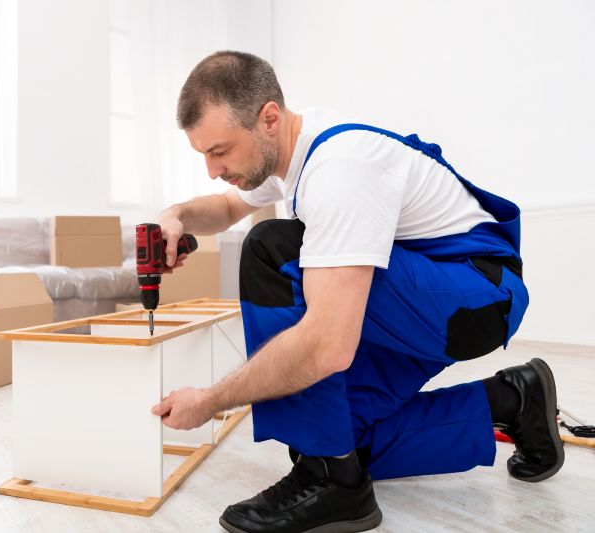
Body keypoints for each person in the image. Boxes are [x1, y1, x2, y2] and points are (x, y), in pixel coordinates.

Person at [150, 51, 564, 533]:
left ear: (269, 118)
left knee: (274, 248)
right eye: (203, 154)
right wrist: (175, 216)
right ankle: (513, 400)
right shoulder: (288, 151)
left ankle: (329, 479)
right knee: (342, 434)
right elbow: (225, 208)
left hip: (476, 295)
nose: (212, 169)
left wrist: (210, 400)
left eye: (219, 151)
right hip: (429, 291)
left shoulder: (340, 169)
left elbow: (327, 345)